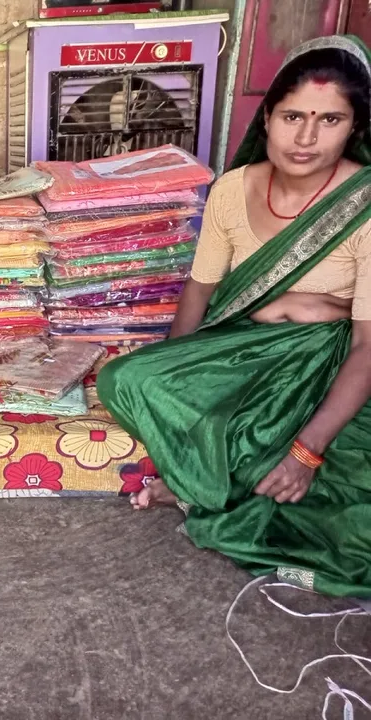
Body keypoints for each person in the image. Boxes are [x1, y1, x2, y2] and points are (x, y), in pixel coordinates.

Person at [97, 36, 371, 598]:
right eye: (293, 115)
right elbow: (200, 290)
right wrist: (176, 372)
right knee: (127, 378)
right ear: (267, 116)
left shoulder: (363, 206)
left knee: (350, 536)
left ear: (354, 129)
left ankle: (211, 487)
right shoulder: (231, 190)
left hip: (332, 362)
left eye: (330, 120)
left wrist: (307, 450)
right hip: (245, 344)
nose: (306, 137)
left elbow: (370, 342)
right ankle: (199, 479)